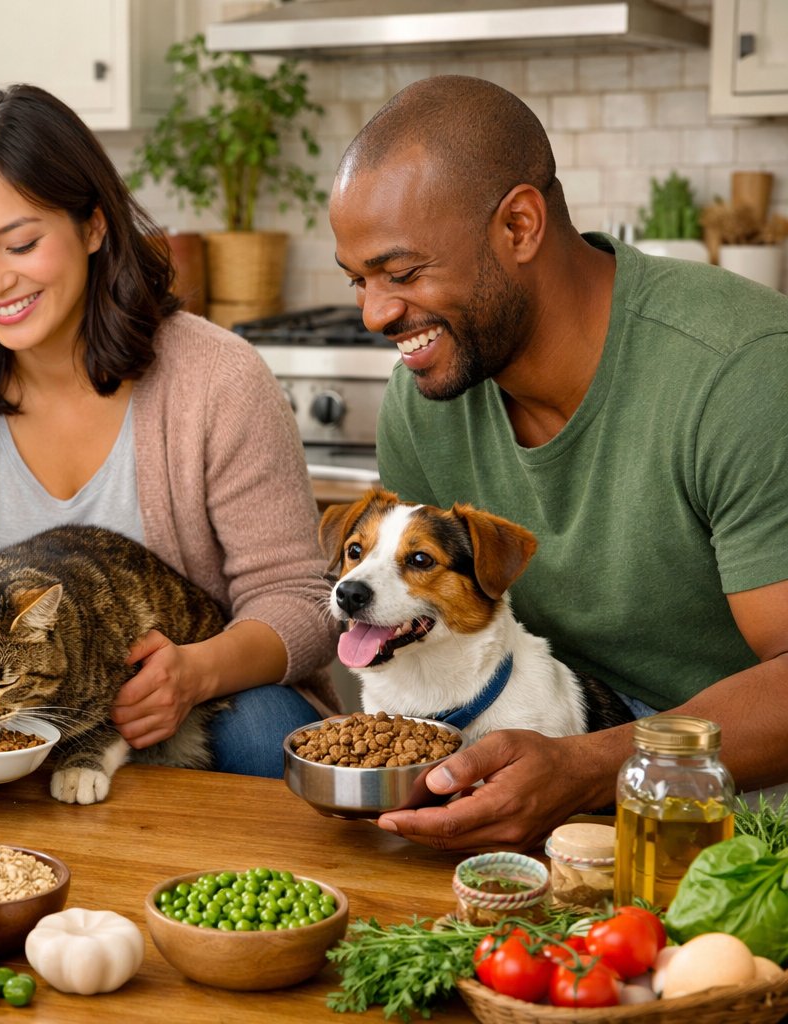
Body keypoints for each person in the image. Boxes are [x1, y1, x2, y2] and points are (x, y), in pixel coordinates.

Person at [328, 74, 788, 850]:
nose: (375, 314)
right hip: (560, 751)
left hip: (749, 783)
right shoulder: (426, 399)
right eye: (359, 281)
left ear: (518, 225)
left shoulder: (738, 370)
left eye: (401, 274)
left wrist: (587, 766)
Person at [0, 84, 339, 780]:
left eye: (22, 243)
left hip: (195, 701)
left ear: (94, 226)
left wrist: (192, 672)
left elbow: (300, 596)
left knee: (265, 728)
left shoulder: (219, 378)